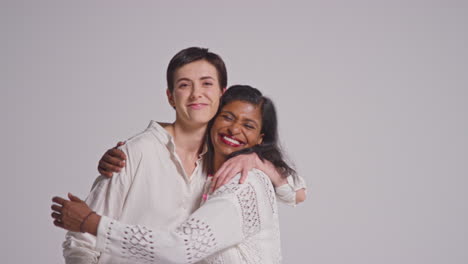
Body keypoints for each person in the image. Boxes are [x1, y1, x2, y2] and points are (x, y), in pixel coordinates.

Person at [54, 47, 306, 263]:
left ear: (221, 93)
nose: (197, 93)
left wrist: (257, 160)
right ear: (170, 96)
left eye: (207, 83)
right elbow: (80, 242)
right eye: (184, 85)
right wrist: (90, 223)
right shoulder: (135, 152)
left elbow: (297, 192)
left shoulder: (225, 165)